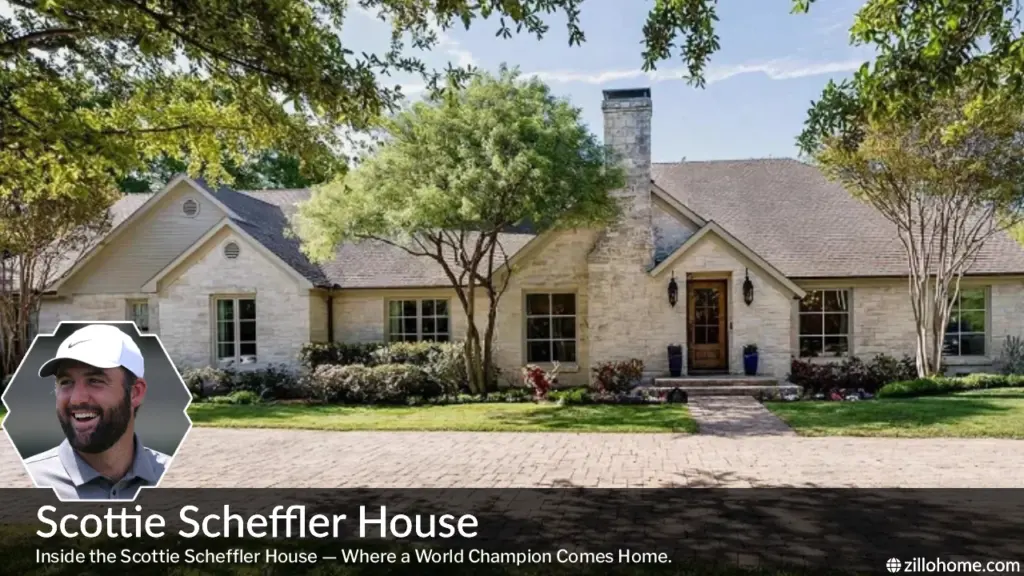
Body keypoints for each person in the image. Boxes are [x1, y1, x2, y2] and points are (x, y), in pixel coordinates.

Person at [23, 324, 170, 500]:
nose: (76, 399)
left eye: (95, 380)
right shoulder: (32, 480)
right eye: (66, 382)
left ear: (135, 392)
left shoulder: (171, 476)